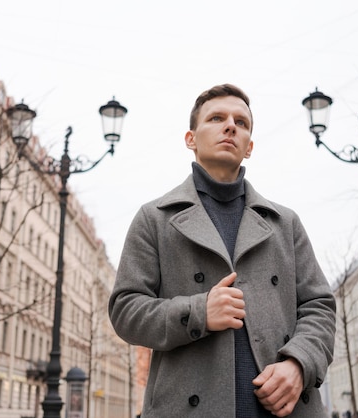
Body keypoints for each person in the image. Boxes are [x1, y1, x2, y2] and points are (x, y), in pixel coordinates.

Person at [109, 84, 336, 417]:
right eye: (216, 118)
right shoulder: (154, 218)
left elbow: (320, 306)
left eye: (241, 123)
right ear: (191, 139)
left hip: (283, 408)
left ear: (249, 147)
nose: (230, 126)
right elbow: (126, 310)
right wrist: (199, 312)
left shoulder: (285, 223)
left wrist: (299, 364)